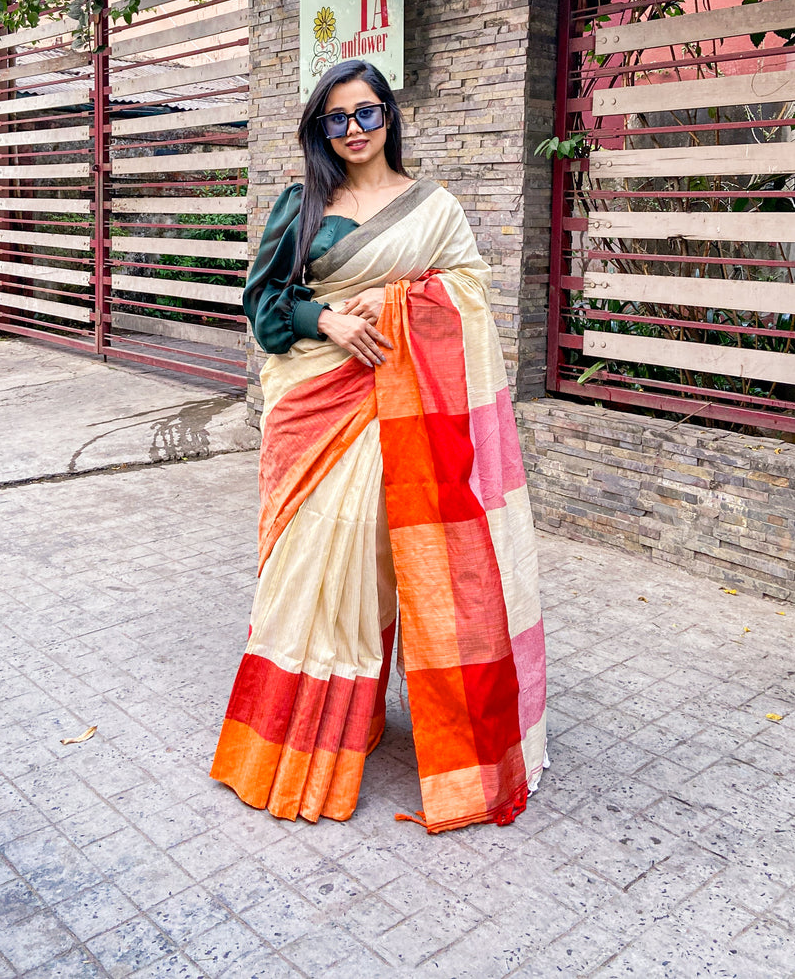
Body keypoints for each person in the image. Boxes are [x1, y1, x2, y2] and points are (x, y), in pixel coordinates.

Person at [210, 59, 547, 834]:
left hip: (399, 412)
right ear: (320, 128)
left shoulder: (433, 209)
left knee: (372, 564)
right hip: (311, 413)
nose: (354, 129)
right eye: (337, 118)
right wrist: (323, 319)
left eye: (366, 113)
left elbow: (470, 294)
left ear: (389, 116)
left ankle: (356, 717)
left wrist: (394, 301)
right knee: (308, 567)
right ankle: (303, 729)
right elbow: (262, 303)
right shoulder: (303, 205)